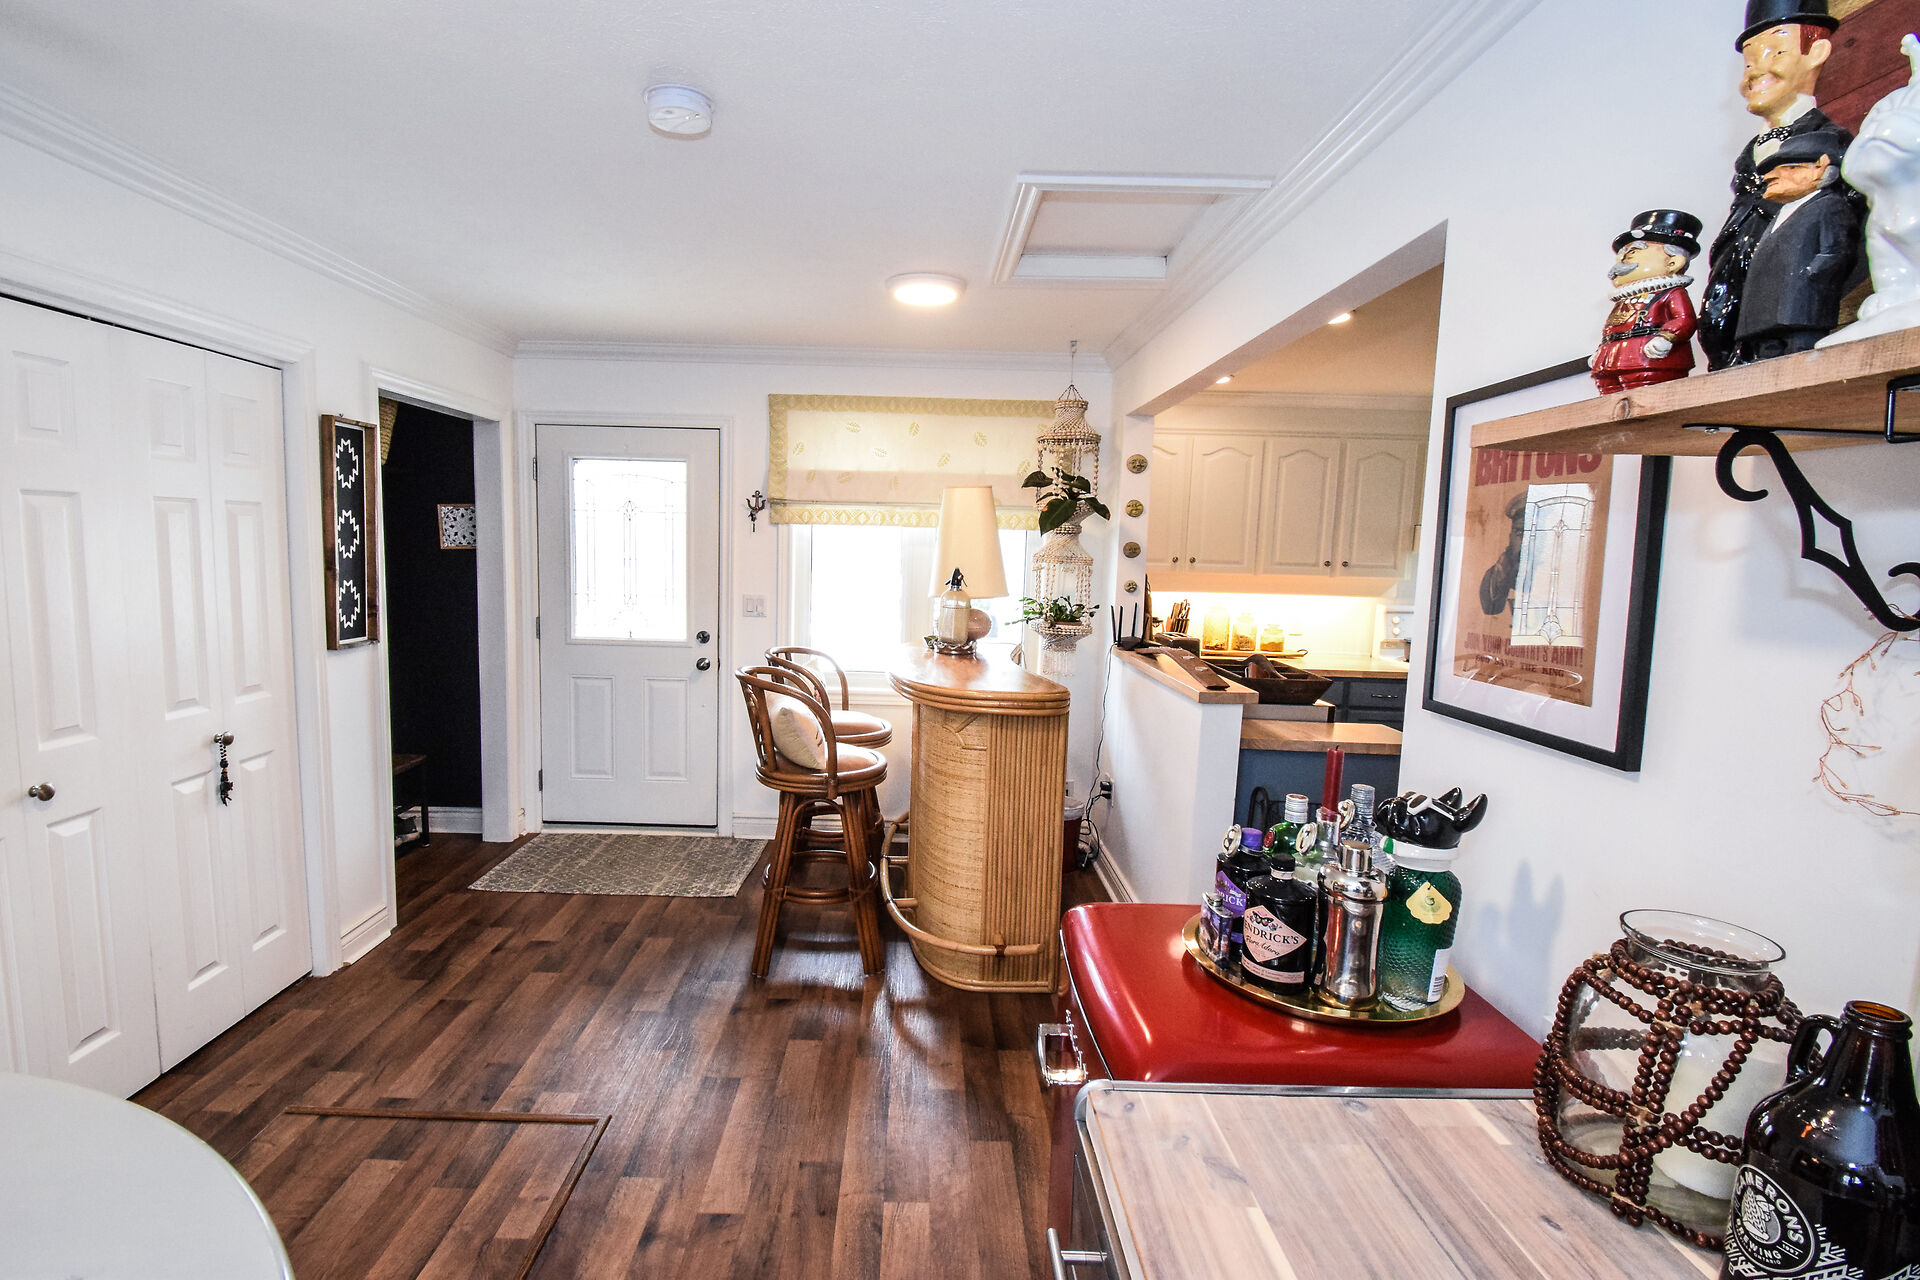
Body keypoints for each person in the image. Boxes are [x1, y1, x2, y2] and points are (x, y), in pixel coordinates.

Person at [1699, 0, 1852, 369]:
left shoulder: (1829, 141)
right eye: (1749, 62)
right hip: (1735, 292)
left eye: (1777, 51)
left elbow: (1842, 228)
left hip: (1789, 294)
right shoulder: (1749, 153)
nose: (1755, 71)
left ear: (1817, 52)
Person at [1733, 132, 1861, 362]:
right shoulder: (1778, 214)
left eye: (1790, 168)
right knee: (1767, 365)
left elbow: (1837, 251)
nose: (1770, 176)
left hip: (1800, 308)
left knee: (1802, 358)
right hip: (1765, 314)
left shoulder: (1829, 206)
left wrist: (1808, 276)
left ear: (1820, 167)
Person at [1593, 210, 1703, 395]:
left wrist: (1666, 337)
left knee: (1645, 395)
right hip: (1611, 357)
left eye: (1633, 252)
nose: (1621, 259)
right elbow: (1612, 326)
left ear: (1673, 262)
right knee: (1610, 396)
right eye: (1622, 254)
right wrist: (1601, 349)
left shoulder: (1671, 292)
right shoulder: (1624, 298)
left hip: (1646, 356)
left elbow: (1684, 319)